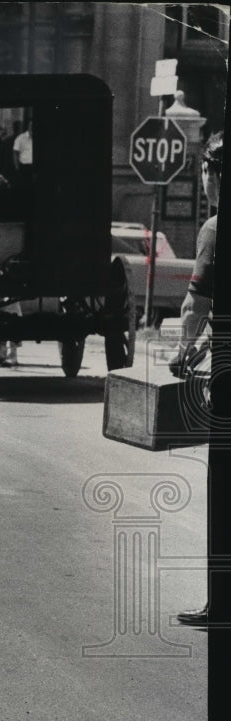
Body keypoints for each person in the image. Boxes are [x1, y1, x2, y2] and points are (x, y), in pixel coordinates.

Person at [170, 130, 222, 627]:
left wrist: (186, 351)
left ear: (211, 173)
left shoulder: (215, 227)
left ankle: (220, 603)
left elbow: (196, 305)